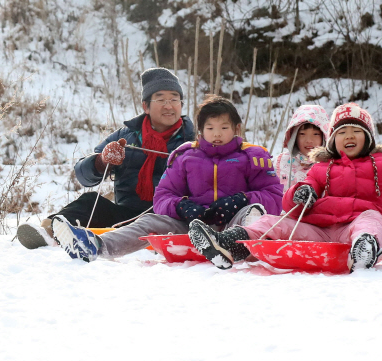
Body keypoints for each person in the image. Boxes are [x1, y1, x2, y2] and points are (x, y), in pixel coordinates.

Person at [187, 102, 382, 272]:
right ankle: (231, 243)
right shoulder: (321, 167)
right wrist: (300, 193)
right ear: (332, 139)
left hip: (355, 229)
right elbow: (292, 202)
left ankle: (365, 249)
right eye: (342, 133)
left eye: (356, 131)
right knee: (272, 221)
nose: (349, 137)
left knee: (372, 217)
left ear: (369, 138)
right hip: (320, 231)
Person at [50, 95, 284, 262]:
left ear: (236, 129)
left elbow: (274, 197)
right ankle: (96, 246)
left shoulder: (253, 155)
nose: (217, 134)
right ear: (201, 131)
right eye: (211, 128)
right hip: (195, 226)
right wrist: (182, 206)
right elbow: (162, 196)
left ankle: (228, 247)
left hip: (234, 224)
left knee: (254, 212)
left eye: (224, 128)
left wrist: (241, 200)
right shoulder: (185, 156)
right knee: (150, 221)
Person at [17, 67, 196, 249]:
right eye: (161, 99)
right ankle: (48, 232)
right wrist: (102, 162)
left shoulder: (195, 140)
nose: (169, 106)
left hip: (171, 218)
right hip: (127, 216)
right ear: (145, 106)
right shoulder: (126, 137)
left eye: (174, 99)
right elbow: (83, 175)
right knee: (90, 201)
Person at [274, 105, 329, 191]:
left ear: (324, 137)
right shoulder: (278, 164)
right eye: (302, 134)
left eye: (316, 134)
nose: (309, 140)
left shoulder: (330, 166)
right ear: (294, 137)